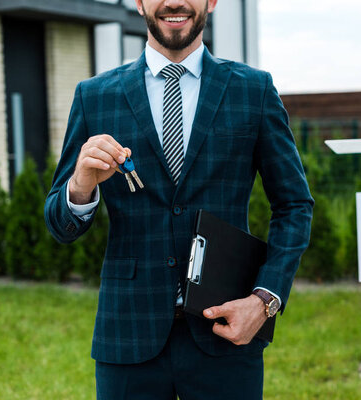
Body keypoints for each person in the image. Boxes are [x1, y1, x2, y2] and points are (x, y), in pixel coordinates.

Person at [44, 0, 313, 398]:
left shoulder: (253, 90)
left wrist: (264, 300)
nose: (173, 2)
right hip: (128, 334)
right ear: (137, 3)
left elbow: (294, 205)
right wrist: (81, 186)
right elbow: (59, 226)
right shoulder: (95, 96)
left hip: (226, 330)